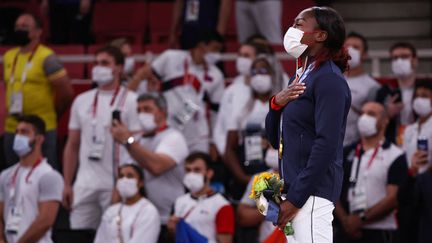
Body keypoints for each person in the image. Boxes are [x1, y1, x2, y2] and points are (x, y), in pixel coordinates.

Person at [265, 7, 351, 242]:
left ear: (320, 35)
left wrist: (296, 198)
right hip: (297, 192)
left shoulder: (329, 79)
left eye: (299, 24)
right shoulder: (300, 78)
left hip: (311, 195)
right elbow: (276, 140)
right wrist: (275, 104)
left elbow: (327, 144)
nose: (291, 30)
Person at [62, 46, 141, 231]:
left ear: (119, 68)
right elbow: (72, 145)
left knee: (114, 234)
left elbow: (138, 145)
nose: (98, 67)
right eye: (96, 63)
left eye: (105, 63)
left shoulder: (132, 100)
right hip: (85, 183)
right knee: (78, 234)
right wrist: (67, 183)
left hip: (115, 182)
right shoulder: (81, 100)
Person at [110, 93, 189, 243]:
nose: (142, 114)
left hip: (166, 219)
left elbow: (156, 166)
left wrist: (127, 141)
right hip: (137, 219)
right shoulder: (136, 141)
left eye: (147, 109)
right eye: (139, 110)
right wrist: (113, 210)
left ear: (162, 111)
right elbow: (123, 175)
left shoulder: (174, 137)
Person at [128, 31, 225, 153]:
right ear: (201, 46)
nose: (217, 55)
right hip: (169, 127)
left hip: (198, 134)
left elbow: (216, 112)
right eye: (215, 49)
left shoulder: (216, 75)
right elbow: (145, 76)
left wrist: (213, 141)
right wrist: (129, 93)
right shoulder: (171, 58)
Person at [3, 13, 73, 168]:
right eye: (17, 27)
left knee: (43, 174)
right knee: (12, 176)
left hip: (41, 129)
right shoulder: (8, 56)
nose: (19, 30)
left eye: (25, 27)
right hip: (13, 127)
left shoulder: (47, 58)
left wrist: (52, 114)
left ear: (38, 32)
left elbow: (66, 93)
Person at [334, 102, 408, 243]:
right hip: (345, 229)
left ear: (385, 121)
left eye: (371, 114)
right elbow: (331, 187)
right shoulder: (346, 152)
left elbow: (393, 198)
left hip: (379, 231)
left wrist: (361, 220)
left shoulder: (395, 155)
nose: (364, 118)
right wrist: (345, 220)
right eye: (362, 113)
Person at [0, 115, 64, 243]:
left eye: (25, 132)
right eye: (17, 132)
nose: (18, 137)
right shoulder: (5, 175)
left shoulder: (49, 175)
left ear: (39, 139)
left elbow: (45, 221)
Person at [224, 56, 275, 200]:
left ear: (272, 74)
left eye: (264, 71)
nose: (259, 76)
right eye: (254, 72)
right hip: (247, 176)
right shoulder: (241, 109)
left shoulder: (283, 106)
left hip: (276, 176)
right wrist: (244, 178)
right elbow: (229, 150)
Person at [168, 152, 235, 243]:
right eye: (188, 170)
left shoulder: (222, 205)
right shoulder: (179, 202)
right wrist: (172, 229)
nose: (191, 175)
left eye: (197, 170)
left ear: (209, 173)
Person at [398, 79, 432, 243]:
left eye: (425, 96)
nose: (420, 100)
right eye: (417, 96)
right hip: (411, 184)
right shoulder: (409, 129)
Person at [94, 164, 160, 243]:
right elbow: (100, 239)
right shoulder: (111, 211)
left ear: (141, 183)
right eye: (121, 176)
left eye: (130, 176)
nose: (124, 180)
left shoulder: (148, 211)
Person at [376, 42, 419, 144]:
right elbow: (375, 123)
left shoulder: (425, 89)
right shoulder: (384, 91)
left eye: (404, 56)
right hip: (392, 144)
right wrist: (387, 114)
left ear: (414, 60)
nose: (399, 61)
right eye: (395, 58)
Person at [344, 32, 381, 147]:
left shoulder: (373, 87)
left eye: (356, 47)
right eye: (347, 46)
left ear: (364, 54)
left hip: (355, 148)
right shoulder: (329, 79)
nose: (350, 50)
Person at [237, 148, 279, 243]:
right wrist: (271, 209)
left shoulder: (304, 177)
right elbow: (242, 216)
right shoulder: (260, 178)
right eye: (271, 146)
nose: (272, 150)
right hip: (268, 239)